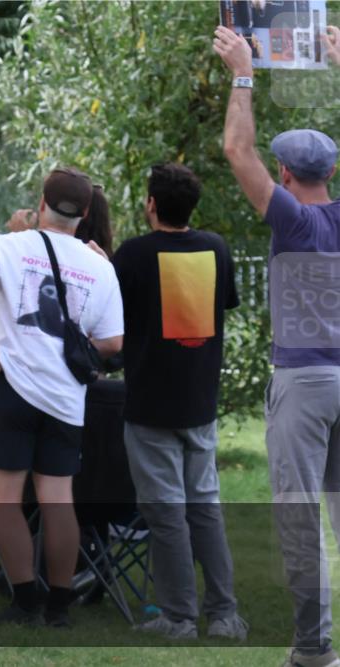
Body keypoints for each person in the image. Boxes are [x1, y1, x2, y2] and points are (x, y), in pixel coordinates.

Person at [215, 26, 340, 667]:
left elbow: (238, 150)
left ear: (286, 174)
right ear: (333, 171)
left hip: (305, 383)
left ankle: (314, 650)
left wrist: (243, 72)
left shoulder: (290, 217)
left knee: (299, 518)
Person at [0, 167, 124, 628]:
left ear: (41, 202)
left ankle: (25, 597)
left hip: (13, 387)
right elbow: (113, 343)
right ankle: (59, 602)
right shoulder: (99, 265)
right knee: (58, 500)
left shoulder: (7, 246)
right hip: (66, 398)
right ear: (86, 212)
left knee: (3, 499)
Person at [112, 162, 247, 640]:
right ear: (193, 206)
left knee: (166, 513)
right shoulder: (216, 249)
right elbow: (220, 305)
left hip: (150, 404)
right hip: (199, 401)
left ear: (151, 204)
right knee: (205, 508)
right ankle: (225, 616)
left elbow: (112, 317)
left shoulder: (130, 255)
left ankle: (178, 618)